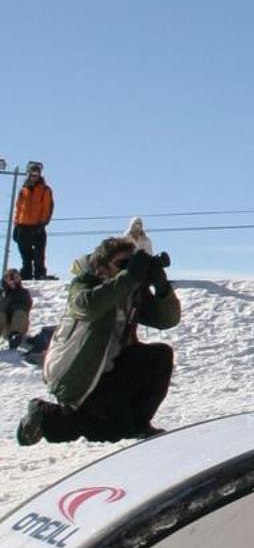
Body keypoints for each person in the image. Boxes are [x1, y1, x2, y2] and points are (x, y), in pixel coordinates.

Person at [17, 235, 181, 446]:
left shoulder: (131, 291)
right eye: (122, 264)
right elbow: (89, 307)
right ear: (102, 268)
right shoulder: (84, 285)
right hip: (79, 376)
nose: (128, 269)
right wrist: (130, 277)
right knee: (110, 430)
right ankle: (44, 415)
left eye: (131, 264)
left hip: (111, 372)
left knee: (159, 356)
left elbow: (167, 320)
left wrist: (162, 288)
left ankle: (139, 423)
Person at [13, 161, 54, 280]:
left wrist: (42, 223)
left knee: (39, 253)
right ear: (28, 175)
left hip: (37, 226)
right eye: (32, 174)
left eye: (36, 175)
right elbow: (18, 208)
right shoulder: (23, 190)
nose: (34, 177)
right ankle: (26, 273)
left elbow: (47, 208)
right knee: (25, 253)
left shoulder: (45, 190)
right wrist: (16, 224)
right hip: (22, 225)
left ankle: (39, 273)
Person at [1, 267, 31, 350]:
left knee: (20, 312)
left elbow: (26, 307)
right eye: (11, 278)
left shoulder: (23, 292)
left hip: (18, 326)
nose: (14, 280)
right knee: (1, 314)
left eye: (17, 277)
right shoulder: (2, 293)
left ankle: (15, 337)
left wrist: (12, 303)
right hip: (4, 327)